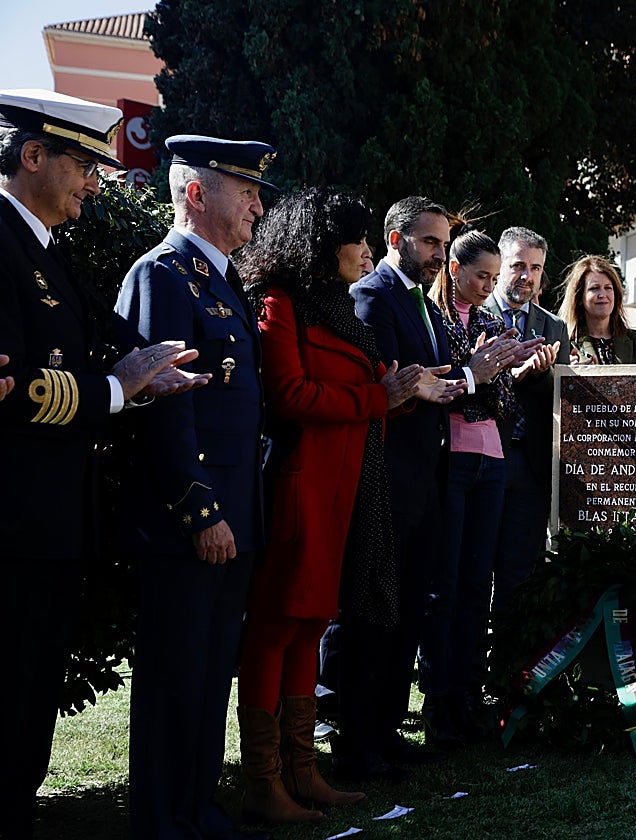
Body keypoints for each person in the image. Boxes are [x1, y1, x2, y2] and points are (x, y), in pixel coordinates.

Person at [0, 90, 208, 840]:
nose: (96, 183)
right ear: (33, 157)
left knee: (26, 711)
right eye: (84, 164)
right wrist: (121, 387)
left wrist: (144, 374)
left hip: (49, 526)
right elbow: (15, 390)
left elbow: (93, 352)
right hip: (14, 528)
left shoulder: (41, 251)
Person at [234, 188, 425, 822]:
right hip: (298, 488)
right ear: (324, 243)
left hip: (346, 491)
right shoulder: (277, 303)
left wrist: (386, 394)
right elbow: (289, 395)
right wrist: (379, 397)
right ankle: (264, 780)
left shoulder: (335, 308)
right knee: (275, 630)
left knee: (311, 626)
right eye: (358, 240)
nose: (368, 252)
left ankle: (301, 771)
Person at [115, 134, 278, 840]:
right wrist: (200, 510)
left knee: (211, 675)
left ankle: (197, 808)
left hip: (234, 517)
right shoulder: (163, 275)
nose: (258, 206)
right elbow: (164, 407)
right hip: (192, 523)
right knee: (175, 679)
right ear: (195, 193)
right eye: (245, 192)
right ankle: (162, 820)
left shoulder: (221, 278)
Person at [346, 197, 525, 775]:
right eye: (429, 243)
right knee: (380, 610)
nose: (437, 255)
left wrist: (478, 374)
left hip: (429, 475)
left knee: (411, 607)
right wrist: (477, 372)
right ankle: (360, 738)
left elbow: (430, 383)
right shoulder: (373, 296)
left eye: (443, 245)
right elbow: (400, 386)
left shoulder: (417, 301)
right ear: (396, 238)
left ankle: (389, 730)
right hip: (392, 476)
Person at [426, 227, 545, 744]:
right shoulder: (434, 319)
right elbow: (441, 387)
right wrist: (478, 374)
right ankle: (439, 705)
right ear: (455, 269)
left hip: (493, 458)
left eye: (493, 278)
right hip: (449, 459)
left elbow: (506, 406)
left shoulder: (494, 324)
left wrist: (507, 374)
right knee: (446, 584)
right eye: (482, 276)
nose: (488, 286)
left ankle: (470, 700)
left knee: (477, 586)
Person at [485, 226, 568, 621]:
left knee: (520, 573)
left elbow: (563, 398)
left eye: (535, 268)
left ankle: (507, 670)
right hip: (484, 456)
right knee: (475, 567)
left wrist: (545, 374)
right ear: (500, 266)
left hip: (531, 462)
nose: (527, 276)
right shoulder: (473, 313)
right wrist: (509, 372)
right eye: (518, 265)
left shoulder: (554, 328)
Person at [559, 254, 636, 364]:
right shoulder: (566, 344)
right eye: (594, 288)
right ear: (579, 298)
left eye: (608, 288)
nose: (602, 294)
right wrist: (569, 373)